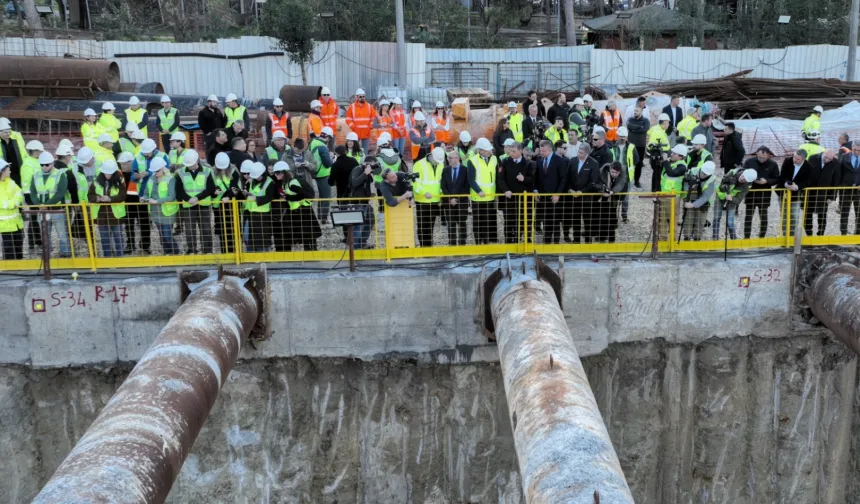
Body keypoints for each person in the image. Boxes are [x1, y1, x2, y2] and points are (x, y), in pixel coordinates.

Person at [28, 152, 72, 257]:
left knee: (62, 234)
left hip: (57, 210)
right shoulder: (35, 175)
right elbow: (32, 192)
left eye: (47, 165)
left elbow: (60, 193)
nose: (44, 167)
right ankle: (47, 254)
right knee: (44, 235)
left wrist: (45, 205)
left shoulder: (60, 175)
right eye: (42, 165)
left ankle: (65, 253)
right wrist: (38, 204)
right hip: (42, 210)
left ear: (52, 163)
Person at [176, 150, 215, 254]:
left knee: (206, 228)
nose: (189, 166)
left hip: (203, 205)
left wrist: (197, 198)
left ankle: (207, 250)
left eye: (191, 164)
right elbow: (178, 190)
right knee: (189, 229)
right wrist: (188, 199)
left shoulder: (207, 171)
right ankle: (192, 249)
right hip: (188, 205)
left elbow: (211, 188)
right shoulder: (180, 172)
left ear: (197, 161)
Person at [497, 142, 535, 244]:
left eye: (514, 151)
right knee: (509, 221)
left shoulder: (529, 163)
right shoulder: (505, 162)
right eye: (510, 151)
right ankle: (509, 242)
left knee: (525, 220)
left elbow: (533, 180)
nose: (511, 153)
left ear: (521, 151)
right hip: (510, 199)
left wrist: (524, 179)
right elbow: (500, 179)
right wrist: (506, 190)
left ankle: (525, 241)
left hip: (524, 200)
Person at [140, 157, 179, 255]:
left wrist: (157, 201)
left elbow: (172, 196)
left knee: (167, 235)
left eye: (157, 171)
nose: (155, 173)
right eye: (153, 171)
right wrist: (144, 198)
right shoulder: (151, 179)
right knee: (162, 235)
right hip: (155, 212)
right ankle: (167, 253)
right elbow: (146, 192)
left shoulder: (170, 179)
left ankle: (175, 253)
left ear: (163, 169)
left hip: (167, 212)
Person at [88, 159, 127, 257]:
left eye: (110, 173)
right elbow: (90, 195)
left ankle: (120, 257)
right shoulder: (96, 182)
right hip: (101, 215)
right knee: (104, 238)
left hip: (116, 214)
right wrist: (97, 198)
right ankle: (107, 257)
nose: (108, 175)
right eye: (106, 173)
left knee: (118, 237)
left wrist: (110, 199)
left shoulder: (120, 181)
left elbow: (123, 196)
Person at [532, 139, 567, 244]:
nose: (541, 153)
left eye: (544, 151)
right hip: (543, 197)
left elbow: (563, 179)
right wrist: (535, 190)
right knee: (546, 221)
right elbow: (536, 177)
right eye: (540, 150)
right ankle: (546, 242)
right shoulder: (539, 160)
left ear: (550, 149)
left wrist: (558, 194)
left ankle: (556, 243)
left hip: (555, 197)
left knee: (555, 221)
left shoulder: (559, 161)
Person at [742, 146, 780, 239]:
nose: (761, 159)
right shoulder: (749, 162)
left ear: (768, 155)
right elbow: (743, 173)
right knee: (748, 217)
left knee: (763, 217)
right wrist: (751, 179)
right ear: (756, 154)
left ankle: (762, 237)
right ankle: (746, 237)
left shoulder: (773, 164)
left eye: (764, 158)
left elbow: (776, 179)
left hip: (764, 194)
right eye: (759, 157)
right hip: (751, 193)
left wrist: (767, 181)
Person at [565, 143, 599, 244]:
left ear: (587, 153)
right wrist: (570, 189)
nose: (578, 154)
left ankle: (588, 241)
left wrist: (582, 191)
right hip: (574, 197)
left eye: (581, 153)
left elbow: (593, 181)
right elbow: (567, 178)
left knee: (587, 221)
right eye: (578, 152)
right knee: (575, 220)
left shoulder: (593, 163)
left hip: (586, 198)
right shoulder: (573, 161)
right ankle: (576, 240)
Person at [466, 138, 498, 244]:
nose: (489, 151)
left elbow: (496, 176)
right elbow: (471, 179)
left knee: (487, 221)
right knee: (478, 221)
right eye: (487, 150)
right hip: (478, 197)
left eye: (489, 149)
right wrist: (479, 191)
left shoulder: (494, 159)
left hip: (490, 196)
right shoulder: (472, 161)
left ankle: (486, 242)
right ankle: (478, 242)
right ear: (480, 150)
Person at [412, 147, 445, 247]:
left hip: (435, 199)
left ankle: (429, 246)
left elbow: (440, 182)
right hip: (422, 200)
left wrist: (441, 196)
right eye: (436, 160)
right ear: (431, 156)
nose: (437, 163)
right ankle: (423, 246)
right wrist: (423, 193)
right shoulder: (419, 164)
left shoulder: (440, 164)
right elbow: (415, 182)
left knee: (431, 225)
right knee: (422, 225)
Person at [713, 167, 757, 240]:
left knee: (730, 222)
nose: (742, 179)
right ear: (743, 173)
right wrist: (726, 188)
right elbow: (721, 186)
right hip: (721, 195)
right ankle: (715, 238)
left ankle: (733, 240)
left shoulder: (747, 187)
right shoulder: (732, 173)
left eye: (745, 180)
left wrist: (731, 198)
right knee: (716, 218)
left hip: (732, 200)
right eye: (743, 176)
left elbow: (738, 200)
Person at [209, 152, 240, 254]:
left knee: (231, 229)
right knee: (221, 230)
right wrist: (214, 192)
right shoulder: (212, 172)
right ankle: (224, 252)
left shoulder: (234, 171)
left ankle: (233, 252)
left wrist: (228, 196)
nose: (222, 170)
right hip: (217, 205)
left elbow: (235, 187)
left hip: (230, 205)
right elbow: (210, 186)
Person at [804, 149, 839, 236]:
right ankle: (808, 232)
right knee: (808, 212)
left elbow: (836, 181)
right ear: (824, 153)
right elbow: (806, 174)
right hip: (810, 191)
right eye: (825, 157)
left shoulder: (836, 163)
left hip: (824, 194)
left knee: (822, 214)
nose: (826, 160)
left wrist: (832, 196)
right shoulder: (812, 158)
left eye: (829, 159)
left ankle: (821, 232)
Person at [680, 161, 717, 241]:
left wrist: (693, 205)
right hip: (690, 199)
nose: (703, 175)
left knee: (700, 221)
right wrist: (689, 191)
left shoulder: (712, 180)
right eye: (702, 173)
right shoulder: (692, 171)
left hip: (703, 202)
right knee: (688, 219)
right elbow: (685, 185)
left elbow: (706, 196)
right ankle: (686, 238)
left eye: (706, 174)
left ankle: (697, 239)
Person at [779, 149, 812, 237]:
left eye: (797, 159)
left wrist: (797, 187)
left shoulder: (808, 167)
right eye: (794, 157)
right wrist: (786, 184)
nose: (794, 160)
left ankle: (792, 234)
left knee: (794, 214)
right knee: (784, 214)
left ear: (803, 159)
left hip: (797, 194)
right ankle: (785, 234)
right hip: (783, 192)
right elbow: (782, 176)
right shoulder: (787, 161)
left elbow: (808, 181)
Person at [347, 156, 378, 249]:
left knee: (370, 220)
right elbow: (354, 183)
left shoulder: (367, 172)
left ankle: (362, 243)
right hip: (357, 202)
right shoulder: (358, 169)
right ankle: (354, 248)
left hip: (365, 201)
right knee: (358, 225)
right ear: (368, 163)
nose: (374, 167)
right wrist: (365, 173)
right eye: (373, 165)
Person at [244, 162, 275, 252]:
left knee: (262, 238)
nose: (256, 178)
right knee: (251, 237)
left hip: (263, 214)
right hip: (251, 212)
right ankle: (251, 253)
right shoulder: (253, 181)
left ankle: (263, 254)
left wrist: (256, 199)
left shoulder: (269, 182)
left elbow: (269, 197)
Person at [441, 150, 470, 246]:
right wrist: (450, 199)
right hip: (449, 203)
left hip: (462, 202)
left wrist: (457, 199)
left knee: (462, 223)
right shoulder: (445, 170)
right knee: (451, 224)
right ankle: (452, 244)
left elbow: (467, 186)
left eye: (450, 158)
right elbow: (443, 186)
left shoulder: (465, 170)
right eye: (448, 158)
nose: (448, 160)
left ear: (457, 158)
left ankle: (462, 243)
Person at [595, 161, 628, 242]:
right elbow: (598, 181)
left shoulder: (623, 172)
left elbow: (621, 184)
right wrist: (602, 191)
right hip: (603, 195)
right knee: (601, 215)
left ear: (619, 172)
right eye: (613, 172)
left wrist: (612, 192)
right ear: (610, 169)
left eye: (616, 173)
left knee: (611, 214)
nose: (614, 174)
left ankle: (609, 236)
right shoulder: (603, 170)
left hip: (614, 196)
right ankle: (601, 235)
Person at [612, 127, 640, 223]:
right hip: (614, 175)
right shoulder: (612, 146)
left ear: (627, 137)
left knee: (625, 197)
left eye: (623, 136)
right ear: (617, 136)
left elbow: (636, 159)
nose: (622, 138)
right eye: (620, 136)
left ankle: (624, 215)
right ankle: (613, 215)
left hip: (627, 176)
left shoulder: (631, 147)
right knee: (614, 196)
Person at [0, 159, 24, 259]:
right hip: (4, 225)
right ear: (2, 171)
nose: (10, 171)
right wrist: (12, 204)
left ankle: (19, 265)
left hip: (16, 223)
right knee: (8, 250)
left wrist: (15, 202)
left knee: (19, 247)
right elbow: (2, 202)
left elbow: (19, 193)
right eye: (8, 169)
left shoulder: (11, 182)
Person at [311, 127, 335, 223]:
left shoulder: (313, 142)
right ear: (327, 137)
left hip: (315, 173)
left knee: (321, 196)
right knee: (326, 197)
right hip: (323, 174)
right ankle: (324, 219)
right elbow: (328, 163)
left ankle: (320, 216)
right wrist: (332, 158)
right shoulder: (322, 147)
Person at [838, 143, 860, 235]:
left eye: (859, 150)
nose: (857, 152)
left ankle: (857, 234)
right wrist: (840, 187)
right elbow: (839, 172)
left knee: (859, 214)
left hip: (858, 190)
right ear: (852, 148)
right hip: (846, 189)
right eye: (855, 150)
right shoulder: (844, 157)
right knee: (844, 213)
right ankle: (843, 233)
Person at [626, 106, 650, 188]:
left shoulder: (646, 120)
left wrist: (634, 129)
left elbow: (644, 129)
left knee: (639, 163)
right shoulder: (630, 119)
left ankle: (637, 181)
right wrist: (639, 127)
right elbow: (629, 126)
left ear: (641, 112)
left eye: (637, 111)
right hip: (630, 145)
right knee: (628, 162)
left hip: (640, 145)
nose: (635, 112)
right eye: (635, 110)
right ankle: (627, 179)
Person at [647, 113, 672, 191]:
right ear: (663, 123)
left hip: (658, 155)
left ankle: (655, 190)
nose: (668, 125)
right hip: (658, 156)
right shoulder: (658, 132)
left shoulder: (658, 129)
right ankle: (656, 191)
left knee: (656, 174)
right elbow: (653, 146)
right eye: (667, 123)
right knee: (658, 175)